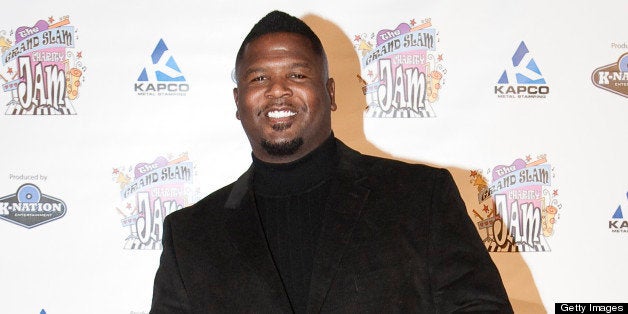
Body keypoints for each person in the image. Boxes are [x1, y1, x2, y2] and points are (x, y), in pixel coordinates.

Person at [150, 10, 513, 313]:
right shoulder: (190, 236)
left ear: (331, 92)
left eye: (297, 74)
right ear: (238, 101)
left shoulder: (421, 198)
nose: (278, 89)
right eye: (259, 78)